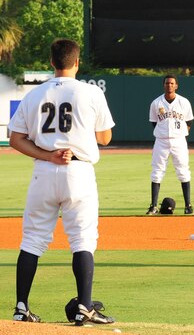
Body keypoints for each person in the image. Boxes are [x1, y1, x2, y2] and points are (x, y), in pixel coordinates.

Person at [8, 38, 116, 325]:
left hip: (43, 171)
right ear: (77, 62)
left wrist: (48, 153)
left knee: (32, 240)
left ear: (51, 62)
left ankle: (21, 307)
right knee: (83, 239)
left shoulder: (34, 95)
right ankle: (84, 307)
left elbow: (15, 139)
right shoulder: (90, 92)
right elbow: (105, 137)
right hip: (78, 172)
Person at [147, 75, 194, 215]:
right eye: (167, 83)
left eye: (172, 83)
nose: (169, 85)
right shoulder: (156, 103)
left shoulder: (184, 102)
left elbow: (189, 121)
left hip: (179, 140)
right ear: (164, 85)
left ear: (176, 86)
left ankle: (188, 205)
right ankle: (153, 206)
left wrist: (180, 133)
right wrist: (162, 132)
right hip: (161, 140)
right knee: (157, 171)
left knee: (183, 171)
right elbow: (154, 122)